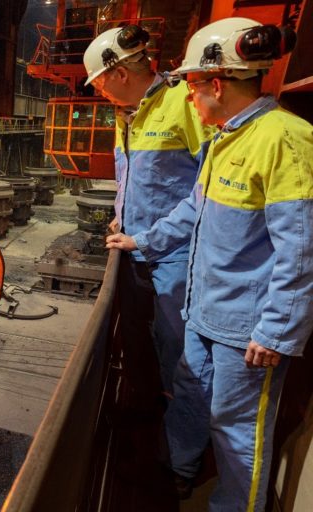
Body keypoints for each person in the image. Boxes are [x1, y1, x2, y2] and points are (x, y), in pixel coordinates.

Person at [106, 17, 312, 510]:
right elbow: (191, 212)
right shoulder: (226, 138)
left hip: (247, 330)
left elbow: (302, 247)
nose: (190, 100)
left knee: (239, 434)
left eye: (192, 88)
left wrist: (277, 330)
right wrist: (141, 241)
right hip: (204, 310)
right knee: (191, 395)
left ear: (215, 84)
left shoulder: (285, 138)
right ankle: (173, 476)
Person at [83, 25, 213, 400]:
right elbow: (135, 176)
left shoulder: (184, 104)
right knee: (138, 343)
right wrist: (121, 213)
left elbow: (208, 190)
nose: (97, 90)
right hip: (132, 250)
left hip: (176, 257)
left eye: (100, 81)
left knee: (179, 352)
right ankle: (144, 413)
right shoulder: (127, 114)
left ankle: (178, 449)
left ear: (120, 73)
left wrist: (148, 238)